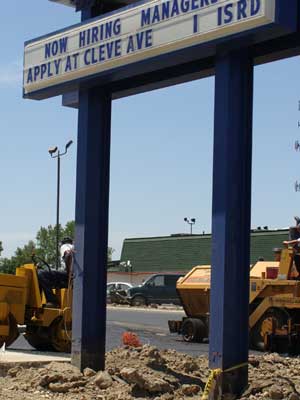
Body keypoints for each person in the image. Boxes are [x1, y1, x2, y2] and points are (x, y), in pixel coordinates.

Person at [38, 237, 74, 307]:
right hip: (73, 276)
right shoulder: (74, 247)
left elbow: (68, 255)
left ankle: (52, 301)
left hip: (69, 275)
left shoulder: (65, 246)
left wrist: (70, 274)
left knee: (41, 274)